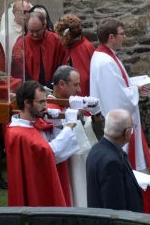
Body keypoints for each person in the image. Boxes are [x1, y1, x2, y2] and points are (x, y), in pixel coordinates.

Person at [90, 18, 150, 176]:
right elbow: (118, 96)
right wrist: (134, 90)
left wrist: (132, 86)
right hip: (118, 121)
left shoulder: (103, 56)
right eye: (122, 33)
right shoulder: (105, 62)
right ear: (111, 37)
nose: (125, 36)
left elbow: (116, 86)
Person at [6, 80, 79, 207]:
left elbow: (48, 143)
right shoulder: (21, 133)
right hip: (37, 188)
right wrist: (69, 126)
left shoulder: (33, 123)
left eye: (45, 101)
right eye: (41, 102)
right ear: (27, 103)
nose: (45, 106)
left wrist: (56, 124)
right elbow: (50, 153)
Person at [47, 66, 103, 207]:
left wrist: (97, 114)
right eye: (75, 85)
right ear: (61, 84)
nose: (79, 90)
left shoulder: (73, 104)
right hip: (66, 167)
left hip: (83, 164)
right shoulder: (49, 110)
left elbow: (91, 133)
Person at [86, 109, 144, 213]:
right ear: (127, 132)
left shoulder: (95, 149)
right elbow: (115, 208)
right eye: (132, 128)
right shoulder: (112, 162)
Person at [11, 12, 66, 87]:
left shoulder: (57, 40)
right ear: (27, 26)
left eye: (38, 31)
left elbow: (63, 66)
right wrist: (34, 87)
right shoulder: (20, 44)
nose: (35, 34)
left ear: (44, 25)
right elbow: (18, 71)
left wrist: (51, 84)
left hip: (54, 86)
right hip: (30, 88)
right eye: (31, 31)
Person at [54, 14, 96, 97]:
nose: (58, 38)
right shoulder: (73, 46)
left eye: (60, 35)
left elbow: (83, 81)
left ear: (67, 36)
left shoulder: (83, 48)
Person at [0, 0, 31, 70]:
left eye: (28, 12)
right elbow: (2, 60)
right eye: (23, 12)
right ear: (14, 12)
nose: (26, 16)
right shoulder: (5, 34)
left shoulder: (33, 31)